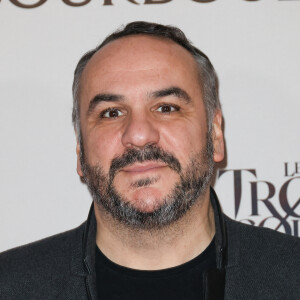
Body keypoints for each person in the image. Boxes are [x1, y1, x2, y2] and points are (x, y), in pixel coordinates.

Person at [0, 21, 299, 300]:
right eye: (111, 113)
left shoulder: (291, 277)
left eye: (166, 107)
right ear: (80, 150)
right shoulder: (11, 285)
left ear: (216, 135)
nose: (139, 134)